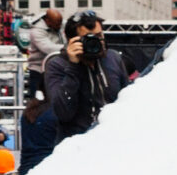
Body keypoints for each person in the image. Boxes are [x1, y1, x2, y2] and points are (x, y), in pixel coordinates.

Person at [43, 12, 124, 140]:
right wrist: (73, 66)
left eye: (99, 35)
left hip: (112, 141)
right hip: (76, 146)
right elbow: (63, 113)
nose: (96, 42)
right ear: (72, 41)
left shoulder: (113, 59)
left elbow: (126, 100)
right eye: (88, 38)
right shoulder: (57, 65)